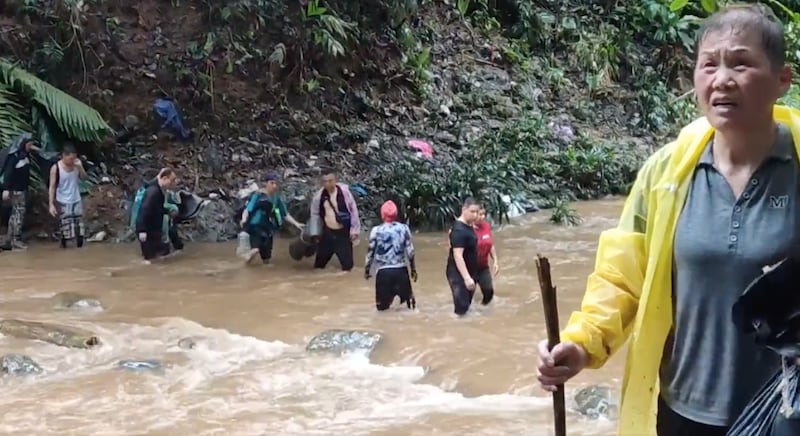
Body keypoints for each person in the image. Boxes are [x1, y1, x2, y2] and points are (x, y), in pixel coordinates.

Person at [536, 5, 799, 435]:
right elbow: (622, 278)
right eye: (709, 64)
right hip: (684, 412)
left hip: (786, 412)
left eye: (741, 63)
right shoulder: (665, 175)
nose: (722, 79)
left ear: (781, 80)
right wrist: (582, 344)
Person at [239, 172, 304, 264]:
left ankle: (251, 266)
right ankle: (244, 264)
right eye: (272, 183)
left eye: (276, 183)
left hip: (268, 228)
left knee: (266, 259)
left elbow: (284, 214)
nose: (274, 186)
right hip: (255, 226)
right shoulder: (257, 195)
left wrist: (296, 224)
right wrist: (244, 219)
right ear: (266, 183)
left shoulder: (276, 198)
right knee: (255, 249)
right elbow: (248, 209)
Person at [364, 200, 417, 311]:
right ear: (396, 214)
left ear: (382, 215)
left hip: (383, 273)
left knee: (382, 310)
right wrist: (413, 269)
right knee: (409, 308)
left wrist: (367, 270)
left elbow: (370, 253)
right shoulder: (404, 229)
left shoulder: (376, 231)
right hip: (401, 271)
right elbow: (410, 252)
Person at [309, 171, 361, 271]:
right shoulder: (319, 196)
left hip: (343, 234)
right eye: (325, 181)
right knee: (318, 266)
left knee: (348, 267)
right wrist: (315, 233)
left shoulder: (344, 193)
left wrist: (354, 231)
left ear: (335, 181)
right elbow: (314, 214)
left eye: (330, 181)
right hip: (327, 233)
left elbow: (353, 211)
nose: (328, 184)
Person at [0, 133, 40, 250]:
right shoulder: (15, 156)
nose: (31, 146)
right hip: (15, 190)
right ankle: (15, 240)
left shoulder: (24, 155)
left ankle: (10, 239)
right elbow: (8, 173)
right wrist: (6, 189)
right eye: (29, 144)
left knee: (15, 214)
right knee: (18, 214)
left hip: (20, 190)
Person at [446, 197, 480, 316]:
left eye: (477, 212)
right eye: (472, 212)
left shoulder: (468, 226)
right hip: (458, 274)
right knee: (461, 309)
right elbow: (458, 255)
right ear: (463, 209)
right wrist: (466, 277)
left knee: (466, 307)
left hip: (471, 271)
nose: (475, 215)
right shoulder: (459, 230)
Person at [135, 168, 178, 263]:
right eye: (172, 181)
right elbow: (144, 210)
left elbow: (156, 209)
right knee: (150, 260)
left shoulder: (157, 189)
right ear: (165, 178)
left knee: (159, 255)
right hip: (147, 231)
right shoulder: (153, 191)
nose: (173, 184)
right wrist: (142, 230)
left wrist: (168, 211)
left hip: (154, 230)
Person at [48, 145, 86, 248]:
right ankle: (65, 246)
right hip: (63, 201)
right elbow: (52, 187)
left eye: (74, 158)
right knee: (67, 229)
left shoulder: (76, 165)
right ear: (64, 156)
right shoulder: (56, 168)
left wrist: (80, 167)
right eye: (70, 159)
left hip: (76, 199)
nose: (72, 160)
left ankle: (79, 249)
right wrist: (51, 204)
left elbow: (83, 178)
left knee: (80, 229)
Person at [473, 207, 498, 305]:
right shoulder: (466, 229)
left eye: (484, 214)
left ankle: (483, 313)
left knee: (489, 293)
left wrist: (495, 261)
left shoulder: (486, 226)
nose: (482, 217)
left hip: (483, 267)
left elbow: (490, 244)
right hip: (469, 268)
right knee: (466, 297)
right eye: (480, 214)